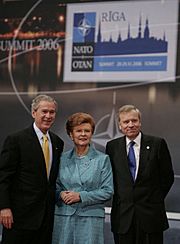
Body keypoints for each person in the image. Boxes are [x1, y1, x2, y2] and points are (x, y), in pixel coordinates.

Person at [106, 104, 174, 244]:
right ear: (120, 125)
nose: (131, 125)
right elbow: (111, 178)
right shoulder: (112, 147)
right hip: (123, 217)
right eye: (126, 122)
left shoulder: (157, 144)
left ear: (140, 122)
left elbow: (167, 177)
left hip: (151, 216)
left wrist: (153, 198)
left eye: (134, 120)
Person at [0, 94, 64, 244]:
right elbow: (3, 177)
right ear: (34, 113)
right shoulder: (16, 140)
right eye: (44, 111)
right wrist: (4, 207)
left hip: (46, 219)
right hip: (19, 217)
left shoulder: (57, 142)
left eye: (52, 112)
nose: (48, 116)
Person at [52, 112, 114, 244]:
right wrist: (61, 194)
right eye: (78, 131)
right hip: (64, 217)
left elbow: (108, 191)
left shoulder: (102, 159)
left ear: (92, 134)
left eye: (87, 131)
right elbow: (52, 187)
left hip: (90, 217)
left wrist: (80, 196)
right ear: (71, 134)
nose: (83, 134)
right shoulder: (61, 159)